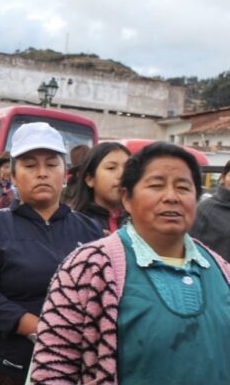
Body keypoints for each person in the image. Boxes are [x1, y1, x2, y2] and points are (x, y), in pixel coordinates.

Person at [30, 142, 230, 384]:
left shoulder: (221, 269)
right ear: (126, 198)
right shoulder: (87, 267)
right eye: (156, 186)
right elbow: (52, 369)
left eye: (183, 187)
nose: (171, 197)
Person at [0, 122, 103, 384]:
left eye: (51, 164)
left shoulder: (89, 230)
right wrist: (41, 327)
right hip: (3, 368)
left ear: (65, 175)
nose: (42, 173)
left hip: (72, 368)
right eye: (29, 166)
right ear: (14, 177)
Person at [69, 142, 131, 234]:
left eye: (128, 168)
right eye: (111, 168)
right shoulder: (74, 225)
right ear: (90, 179)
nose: (122, 174)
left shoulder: (139, 224)